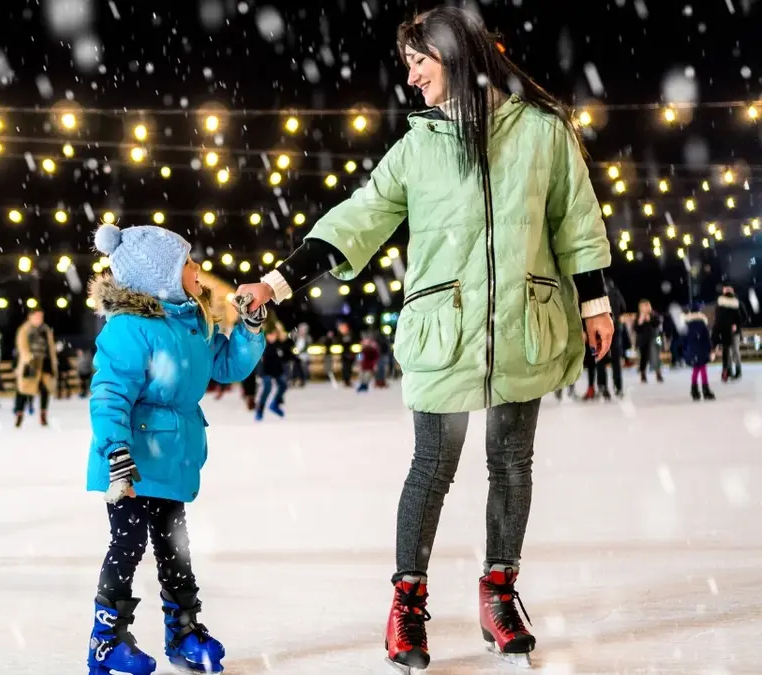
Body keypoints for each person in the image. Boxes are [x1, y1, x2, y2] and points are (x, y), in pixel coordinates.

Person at [235, 7, 615, 671]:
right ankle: (407, 601)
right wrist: (278, 279)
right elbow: (358, 218)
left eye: (419, 62)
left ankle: (499, 591)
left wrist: (595, 301)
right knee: (433, 466)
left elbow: (575, 220)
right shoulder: (419, 146)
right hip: (446, 330)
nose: (411, 78)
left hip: (524, 324)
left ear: (455, 54)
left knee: (512, 461)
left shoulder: (542, 133)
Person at [84, 224, 265, 675]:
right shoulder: (128, 329)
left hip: (174, 458)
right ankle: (106, 640)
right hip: (130, 462)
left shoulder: (189, 323)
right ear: (159, 275)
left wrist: (250, 327)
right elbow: (108, 394)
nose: (197, 268)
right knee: (127, 543)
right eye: (187, 262)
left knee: (175, 547)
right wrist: (116, 454)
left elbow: (226, 366)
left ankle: (183, 631)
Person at [13, 309, 57, 427]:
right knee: (23, 390)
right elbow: (22, 347)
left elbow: (50, 347)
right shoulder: (25, 329)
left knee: (45, 389)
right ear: (30, 317)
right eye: (36, 316)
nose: (39, 319)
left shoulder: (46, 330)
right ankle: (19, 415)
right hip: (30, 364)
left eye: (41, 316)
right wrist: (29, 358)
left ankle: (43, 415)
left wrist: (53, 361)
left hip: (44, 363)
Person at [713, 285, 743, 382]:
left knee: (735, 351)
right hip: (725, 330)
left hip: (734, 332)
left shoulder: (737, 303)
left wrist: (736, 325)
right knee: (727, 352)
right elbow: (718, 318)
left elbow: (743, 317)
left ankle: (738, 371)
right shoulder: (721, 304)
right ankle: (728, 371)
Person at [685, 308, 716, 401]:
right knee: (703, 370)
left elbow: (684, 339)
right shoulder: (702, 324)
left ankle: (694, 391)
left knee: (695, 370)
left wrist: (686, 352)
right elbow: (707, 338)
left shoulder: (687, 325)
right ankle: (705, 390)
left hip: (692, 351)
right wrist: (711, 349)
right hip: (702, 349)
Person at [634, 299, 664, 384]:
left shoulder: (653, 314)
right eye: (643, 306)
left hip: (655, 339)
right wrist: (640, 322)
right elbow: (636, 329)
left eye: (646, 306)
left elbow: (657, 324)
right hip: (643, 340)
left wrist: (650, 319)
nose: (645, 308)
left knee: (656, 356)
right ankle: (643, 374)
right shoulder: (639, 316)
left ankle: (658, 373)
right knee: (643, 358)